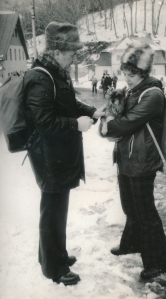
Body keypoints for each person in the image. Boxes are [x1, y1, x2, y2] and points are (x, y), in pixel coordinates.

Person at [23, 22, 105, 286]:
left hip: (59, 154)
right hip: (49, 156)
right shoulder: (40, 76)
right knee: (52, 210)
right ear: (58, 51)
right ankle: (54, 269)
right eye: (71, 53)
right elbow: (44, 122)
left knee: (56, 209)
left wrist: (90, 111)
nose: (74, 58)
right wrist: (75, 124)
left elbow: (67, 103)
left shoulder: (55, 72)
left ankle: (52, 255)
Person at [103, 42, 166, 279]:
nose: (127, 78)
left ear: (143, 73)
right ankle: (132, 243)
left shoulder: (152, 95)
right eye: (125, 73)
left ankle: (158, 261)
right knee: (129, 206)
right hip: (126, 158)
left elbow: (125, 123)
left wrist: (108, 122)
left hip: (142, 162)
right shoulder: (132, 91)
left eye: (131, 74)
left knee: (145, 211)